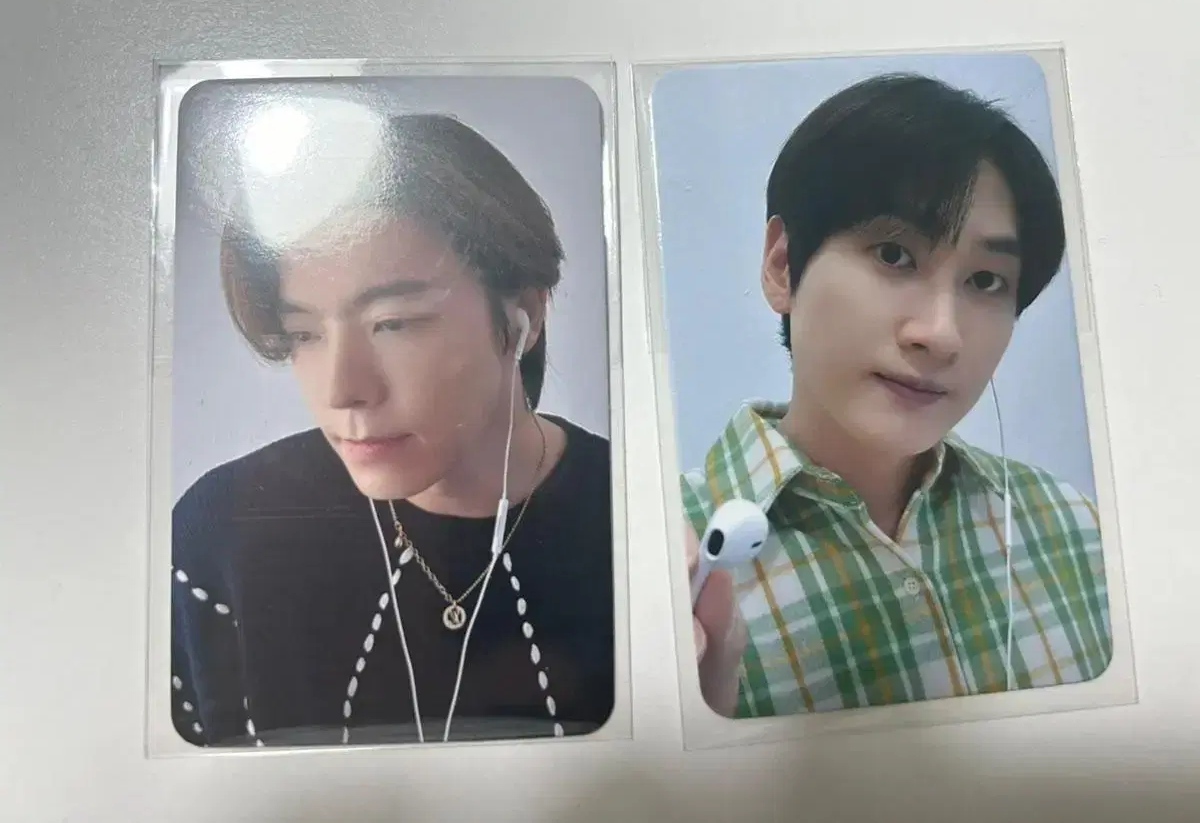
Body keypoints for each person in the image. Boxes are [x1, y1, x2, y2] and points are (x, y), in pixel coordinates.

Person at [170, 106, 614, 747]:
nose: (342, 390)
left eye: (393, 323)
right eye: (304, 334)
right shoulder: (224, 529)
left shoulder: (638, 518)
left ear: (524, 314)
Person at [685, 73, 1112, 719]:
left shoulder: (1072, 528)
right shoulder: (663, 561)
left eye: (986, 281)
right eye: (893, 254)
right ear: (782, 265)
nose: (941, 335)